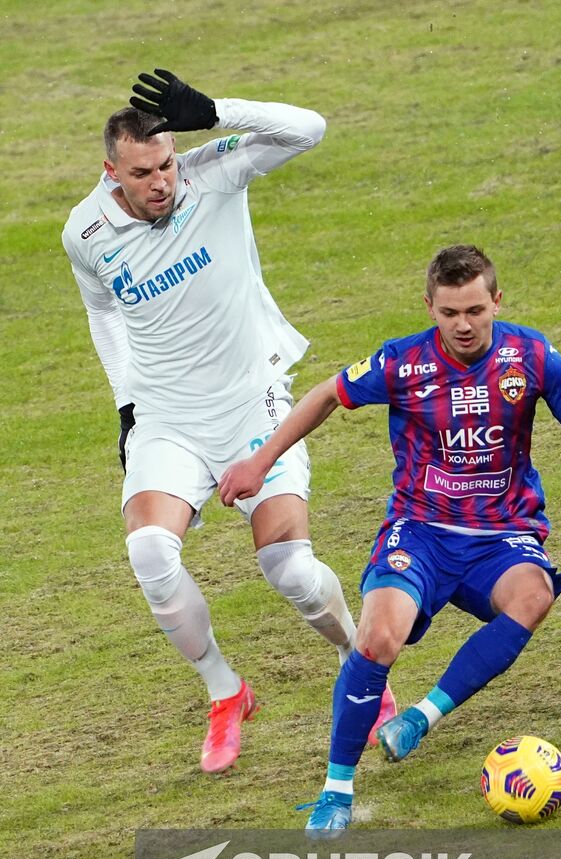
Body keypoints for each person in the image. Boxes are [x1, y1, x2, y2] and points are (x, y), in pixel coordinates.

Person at [219, 243, 561, 836]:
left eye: (475, 309)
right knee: (375, 642)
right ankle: (335, 792)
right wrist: (261, 463)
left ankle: (422, 717)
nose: (464, 324)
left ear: (496, 301)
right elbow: (323, 396)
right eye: (449, 313)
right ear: (430, 307)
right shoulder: (403, 363)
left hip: (503, 536)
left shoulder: (531, 355)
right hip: (419, 531)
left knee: (534, 595)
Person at [62, 68, 395, 775]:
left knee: (289, 568)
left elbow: (309, 127)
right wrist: (126, 402)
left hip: (251, 401)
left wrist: (214, 112)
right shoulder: (84, 232)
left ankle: (359, 669)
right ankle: (226, 690)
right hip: (167, 416)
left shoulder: (212, 173)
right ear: (111, 171)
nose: (161, 183)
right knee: (149, 555)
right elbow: (102, 311)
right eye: (143, 173)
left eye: (166, 165)